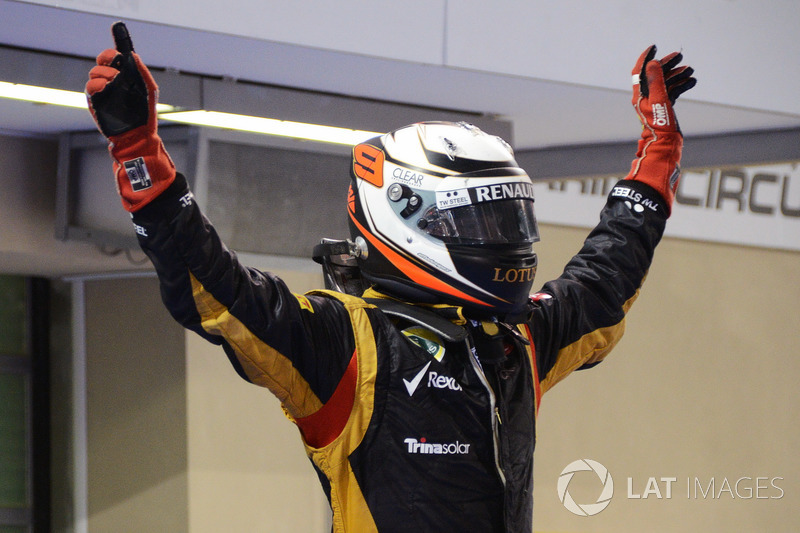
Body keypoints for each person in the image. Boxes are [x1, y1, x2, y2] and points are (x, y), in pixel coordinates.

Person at [85, 22, 695, 532]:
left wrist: (659, 148)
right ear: (407, 215)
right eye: (481, 218)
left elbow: (605, 277)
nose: (503, 235)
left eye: (507, 214)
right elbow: (218, 293)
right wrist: (139, 152)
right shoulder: (343, 342)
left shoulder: (515, 340)